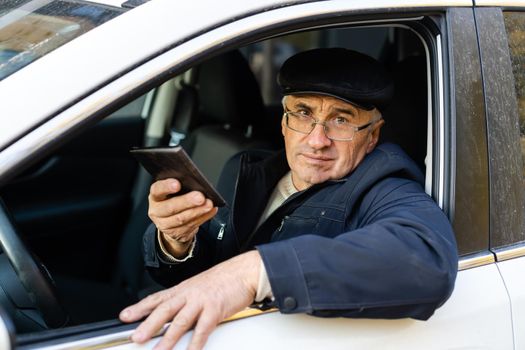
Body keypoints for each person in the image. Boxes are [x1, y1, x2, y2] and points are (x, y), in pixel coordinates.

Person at [119, 48, 458, 350]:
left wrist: (251, 272)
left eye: (340, 120)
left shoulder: (384, 186)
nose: (317, 140)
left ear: (372, 137)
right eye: (303, 114)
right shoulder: (244, 168)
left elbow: (426, 261)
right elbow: (204, 269)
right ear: (283, 122)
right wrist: (177, 240)